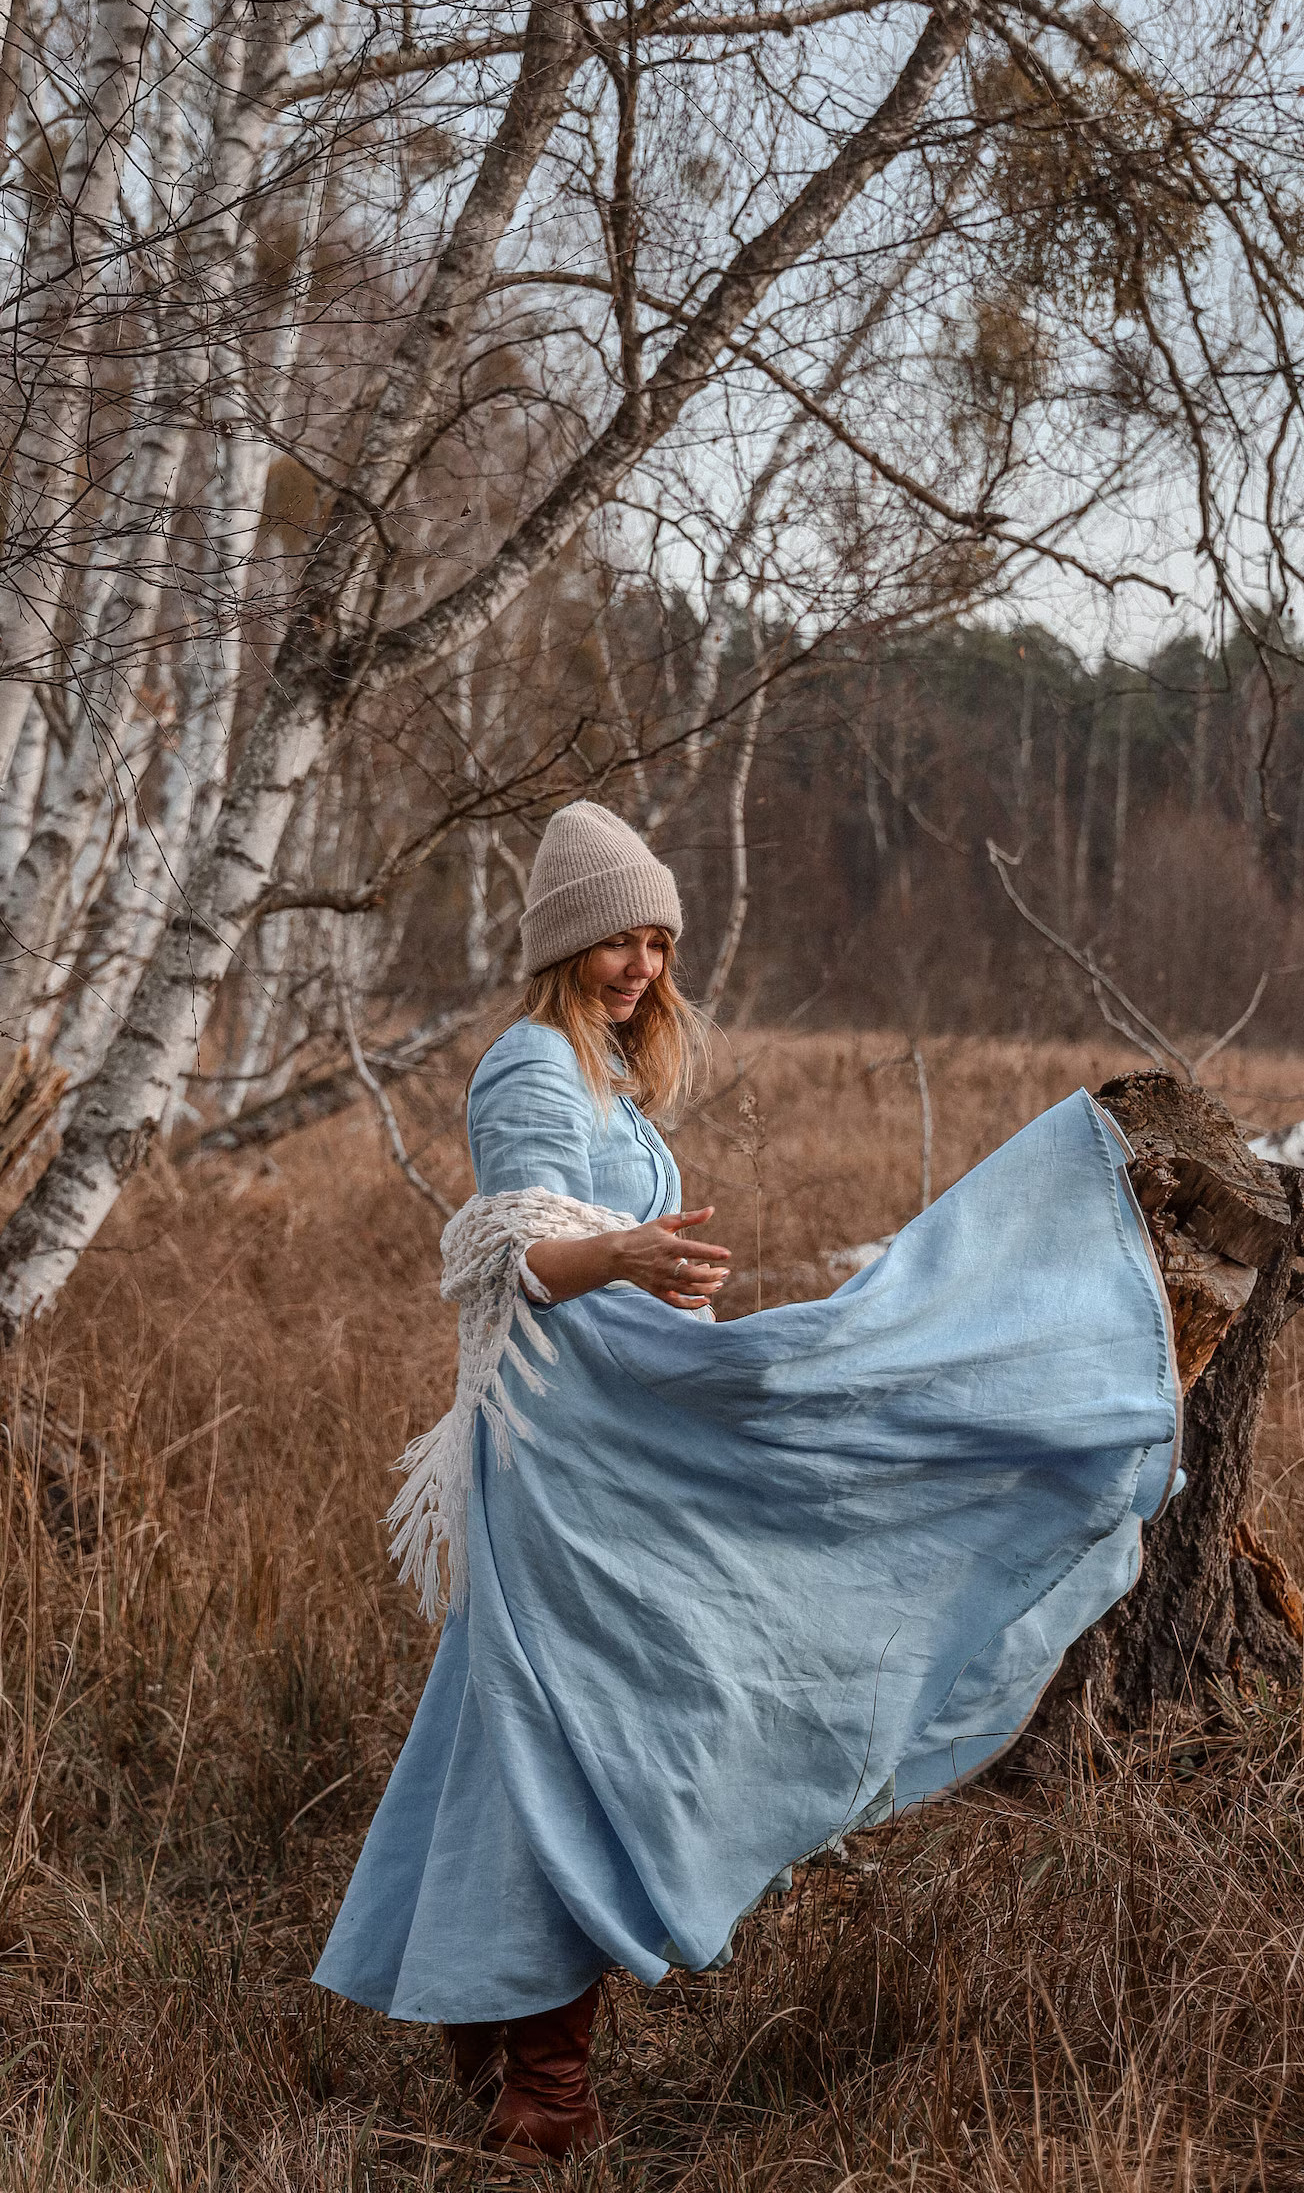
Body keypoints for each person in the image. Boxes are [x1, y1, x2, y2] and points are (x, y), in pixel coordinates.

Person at [314, 800, 1182, 2164]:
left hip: (609, 1438)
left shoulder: (598, 1073)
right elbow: (506, 1257)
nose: (642, 964)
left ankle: (504, 2050)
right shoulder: (531, 1069)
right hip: (567, 1456)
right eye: (618, 937)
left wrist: (653, 1278)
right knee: (590, 1726)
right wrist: (629, 1262)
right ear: (564, 942)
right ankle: (544, 2088)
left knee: (518, 1729)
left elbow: (594, 1252)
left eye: (659, 940)